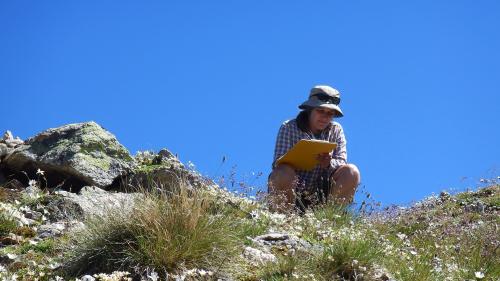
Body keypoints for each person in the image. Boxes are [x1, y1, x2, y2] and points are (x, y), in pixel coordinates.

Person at [268, 85, 360, 213]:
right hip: (293, 188)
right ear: (310, 109)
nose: (325, 117)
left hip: (322, 193)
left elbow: (341, 161)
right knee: (283, 171)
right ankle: (282, 217)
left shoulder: (336, 130)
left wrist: (329, 164)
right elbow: (278, 164)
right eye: (320, 111)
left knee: (351, 172)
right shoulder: (289, 127)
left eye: (330, 113)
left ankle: (330, 218)